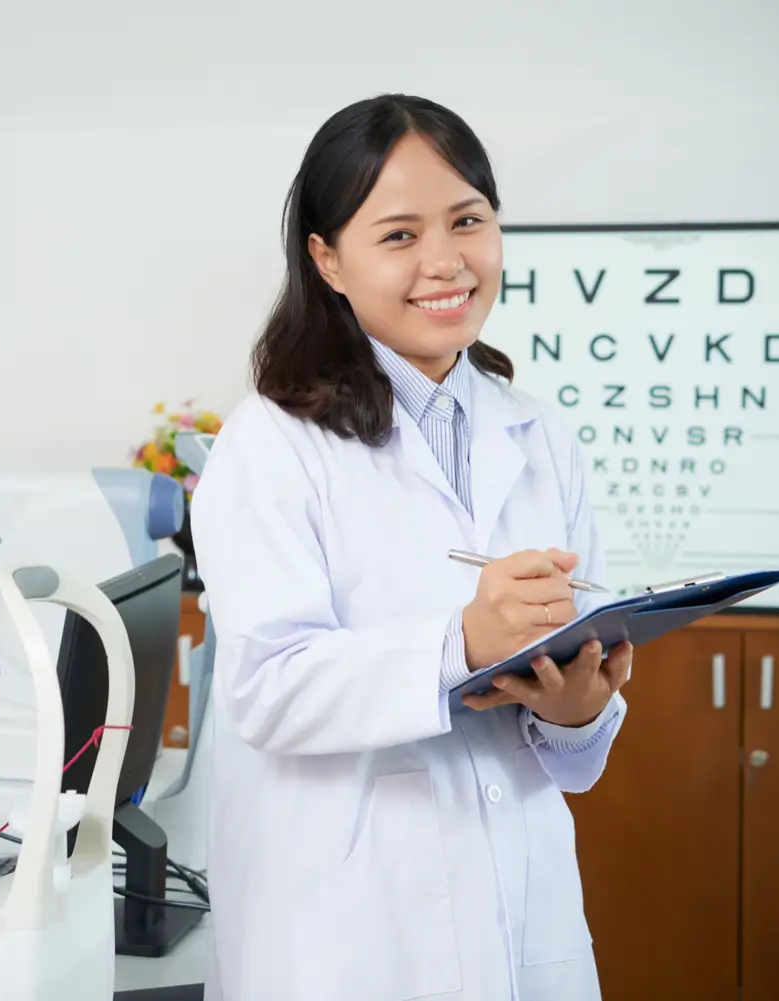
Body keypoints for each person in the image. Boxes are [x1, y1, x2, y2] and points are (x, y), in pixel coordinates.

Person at [189, 93, 634, 1001]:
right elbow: (267, 688)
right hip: (350, 935)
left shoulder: (537, 433)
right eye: (399, 235)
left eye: (468, 220)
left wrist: (577, 709)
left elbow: (572, 762)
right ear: (328, 258)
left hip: (523, 912)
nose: (446, 261)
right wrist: (461, 642)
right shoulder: (270, 444)